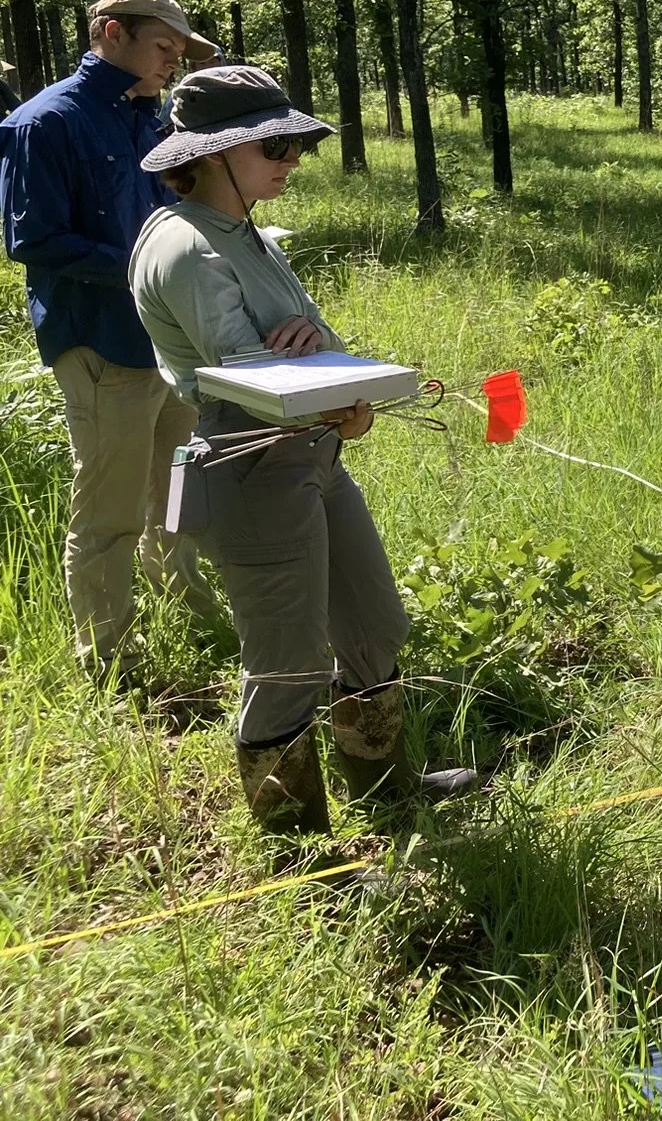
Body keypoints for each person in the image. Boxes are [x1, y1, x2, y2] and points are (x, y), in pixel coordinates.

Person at [128, 64, 476, 836]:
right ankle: (302, 860)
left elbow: (321, 347)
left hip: (314, 458)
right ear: (212, 153)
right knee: (286, 666)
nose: (291, 160)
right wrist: (314, 376)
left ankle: (388, 799)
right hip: (252, 471)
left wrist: (345, 406)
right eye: (275, 145)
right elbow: (257, 383)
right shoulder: (187, 248)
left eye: (298, 145)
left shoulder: (246, 231)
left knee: (373, 623)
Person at [0, 0, 220, 677]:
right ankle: (110, 657)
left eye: (179, 55)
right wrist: (138, 268)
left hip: (171, 342)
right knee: (110, 506)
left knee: (180, 487)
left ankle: (185, 609)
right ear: (111, 32)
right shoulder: (47, 122)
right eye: (163, 48)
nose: (170, 65)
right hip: (102, 342)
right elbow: (32, 239)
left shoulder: (153, 123)